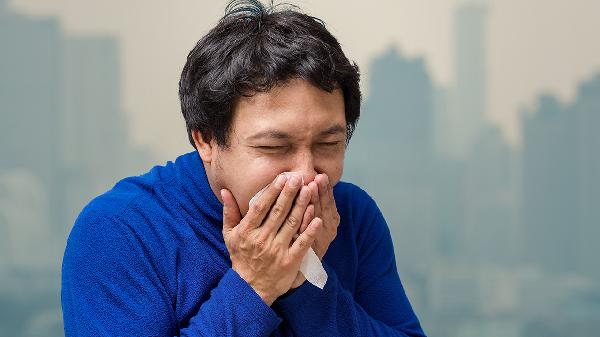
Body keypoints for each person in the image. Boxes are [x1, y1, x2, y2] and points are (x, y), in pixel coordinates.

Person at [61, 1, 427, 336]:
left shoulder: (352, 215)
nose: (305, 174)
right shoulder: (119, 232)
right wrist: (254, 285)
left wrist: (307, 278)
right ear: (205, 140)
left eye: (328, 144)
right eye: (274, 147)